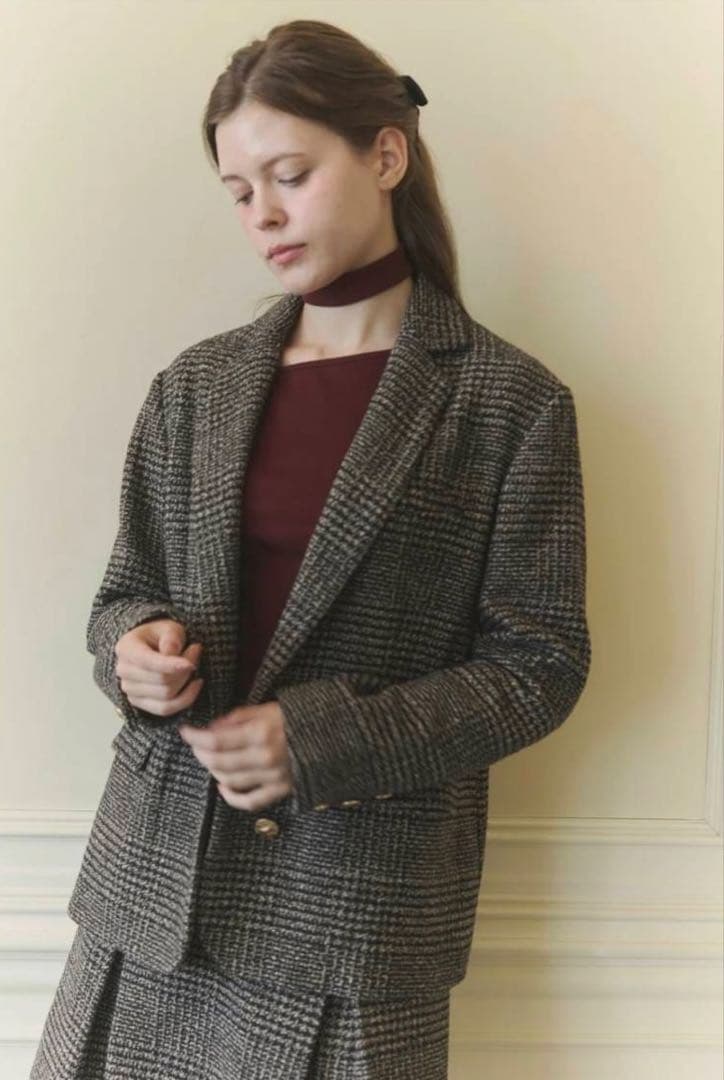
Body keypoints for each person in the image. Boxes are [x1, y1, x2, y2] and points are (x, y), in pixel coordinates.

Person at [31, 17, 591, 1080]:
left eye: (291, 175)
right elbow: (123, 594)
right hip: (153, 891)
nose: (265, 214)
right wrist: (133, 654)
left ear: (385, 154)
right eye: (240, 191)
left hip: (356, 913)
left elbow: (541, 666)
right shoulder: (195, 387)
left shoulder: (508, 403)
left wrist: (325, 740)